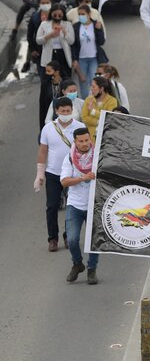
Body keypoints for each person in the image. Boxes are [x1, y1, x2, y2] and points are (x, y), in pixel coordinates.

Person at [35, 96, 86, 252]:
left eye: (68, 111)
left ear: (72, 110)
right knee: (51, 206)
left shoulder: (80, 127)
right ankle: (53, 238)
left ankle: (68, 235)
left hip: (73, 174)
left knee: (71, 207)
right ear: (56, 111)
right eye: (62, 111)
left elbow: (86, 148)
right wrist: (40, 174)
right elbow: (43, 152)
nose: (65, 113)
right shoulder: (48, 129)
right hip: (53, 173)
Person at [61, 128, 100, 284]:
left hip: (94, 205)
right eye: (81, 141)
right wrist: (83, 178)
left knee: (94, 240)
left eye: (86, 140)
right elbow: (64, 181)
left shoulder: (98, 156)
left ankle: (92, 269)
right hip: (75, 205)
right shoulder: (69, 159)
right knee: (72, 239)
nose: (84, 144)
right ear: (75, 142)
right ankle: (77, 264)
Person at [71, 4, 107, 98]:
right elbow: (74, 45)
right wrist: (74, 59)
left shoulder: (96, 25)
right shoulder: (76, 27)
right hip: (81, 59)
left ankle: (95, 101)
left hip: (93, 58)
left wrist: (99, 30)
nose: (81, 16)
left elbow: (101, 42)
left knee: (94, 81)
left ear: (89, 14)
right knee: (83, 82)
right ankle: (85, 102)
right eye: (79, 14)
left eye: (83, 14)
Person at [36, 3, 74, 82]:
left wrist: (64, 32)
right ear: (51, 13)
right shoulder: (44, 24)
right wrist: (49, 36)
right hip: (49, 55)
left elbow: (71, 41)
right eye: (55, 15)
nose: (57, 17)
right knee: (49, 80)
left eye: (59, 15)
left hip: (63, 55)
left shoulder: (68, 24)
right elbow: (38, 40)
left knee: (65, 79)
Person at [81, 76, 118, 142]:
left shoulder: (112, 101)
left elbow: (108, 118)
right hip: (90, 139)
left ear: (101, 89)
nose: (91, 89)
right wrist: (99, 122)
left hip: (105, 139)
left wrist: (93, 112)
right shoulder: (88, 99)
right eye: (91, 86)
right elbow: (84, 118)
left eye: (93, 87)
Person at [26, 0, 52, 77]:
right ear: (39, 4)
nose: (45, 5)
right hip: (39, 50)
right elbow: (30, 35)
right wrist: (32, 49)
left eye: (47, 3)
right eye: (43, 3)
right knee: (43, 75)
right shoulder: (34, 17)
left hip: (53, 49)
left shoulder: (55, 15)